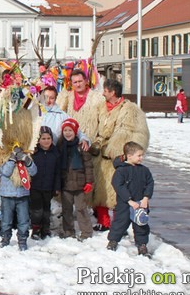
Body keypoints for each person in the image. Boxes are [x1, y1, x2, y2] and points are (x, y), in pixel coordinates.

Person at [90, 79, 149, 231]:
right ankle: (104, 222)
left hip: (119, 159)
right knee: (101, 191)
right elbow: (94, 128)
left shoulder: (130, 109)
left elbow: (138, 133)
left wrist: (127, 154)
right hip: (100, 157)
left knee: (119, 192)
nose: (103, 93)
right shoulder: (100, 108)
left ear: (113, 92)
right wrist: (94, 143)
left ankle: (119, 225)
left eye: (105, 91)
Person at [107, 142, 154, 257]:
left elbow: (150, 183)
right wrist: (129, 200)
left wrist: (146, 198)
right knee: (120, 222)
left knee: (141, 224)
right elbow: (118, 185)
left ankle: (142, 244)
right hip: (125, 203)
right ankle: (113, 241)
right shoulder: (121, 170)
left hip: (141, 203)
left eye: (142, 155)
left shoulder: (144, 170)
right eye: (139, 155)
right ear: (129, 156)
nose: (141, 158)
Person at [58, 119, 94, 240]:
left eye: (70, 130)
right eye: (65, 130)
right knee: (67, 209)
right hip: (65, 183)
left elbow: (88, 165)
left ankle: (86, 232)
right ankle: (68, 231)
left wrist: (89, 182)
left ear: (75, 132)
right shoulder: (60, 146)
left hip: (80, 184)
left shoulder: (81, 146)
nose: (68, 133)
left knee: (81, 208)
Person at [0, 146, 37, 251]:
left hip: (22, 194)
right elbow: (5, 172)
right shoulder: (3, 155)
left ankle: (22, 240)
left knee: (23, 220)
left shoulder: (26, 156)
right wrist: (12, 159)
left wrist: (27, 161)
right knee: (6, 219)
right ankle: (5, 238)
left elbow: (33, 172)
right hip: (7, 194)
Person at [29, 126, 61, 240]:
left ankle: (45, 229)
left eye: (48, 138)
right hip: (35, 186)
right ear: (38, 140)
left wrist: (57, 187)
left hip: (49, 186)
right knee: (37, 210)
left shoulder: (55, 153)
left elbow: (58, 172)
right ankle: (36, 229)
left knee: (46, 210)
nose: (46, 141)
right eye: (43, 138)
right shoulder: (34, 153)